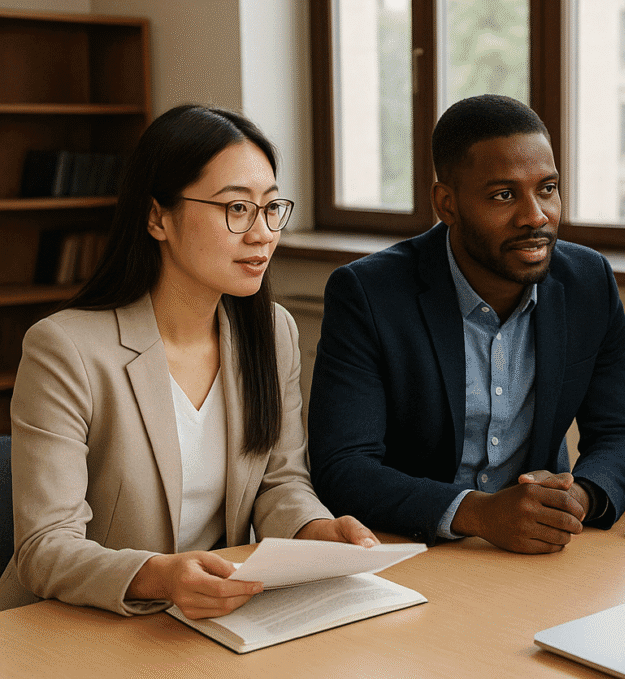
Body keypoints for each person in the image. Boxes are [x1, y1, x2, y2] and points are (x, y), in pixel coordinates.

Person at [0, 105, 376, 619]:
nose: (263, 233)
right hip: (75, 625)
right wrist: (158, 575)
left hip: (207, 620)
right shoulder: (64, 349)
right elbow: (45, 549)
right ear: (158, 217)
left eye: (270, 208)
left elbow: (279, 483)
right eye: (236, 209)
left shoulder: (272, 332)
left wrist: (316, 531)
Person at [308, 94, 625, 554]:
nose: (536, 216)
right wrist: (478, 513)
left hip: (535, 554)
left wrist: (577, 498)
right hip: (406, 548)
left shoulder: (588, 282)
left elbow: (621, 434)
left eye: (547, 189)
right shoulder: (368, 294)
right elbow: (343, 466)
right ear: (447, 203)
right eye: (503, 195)